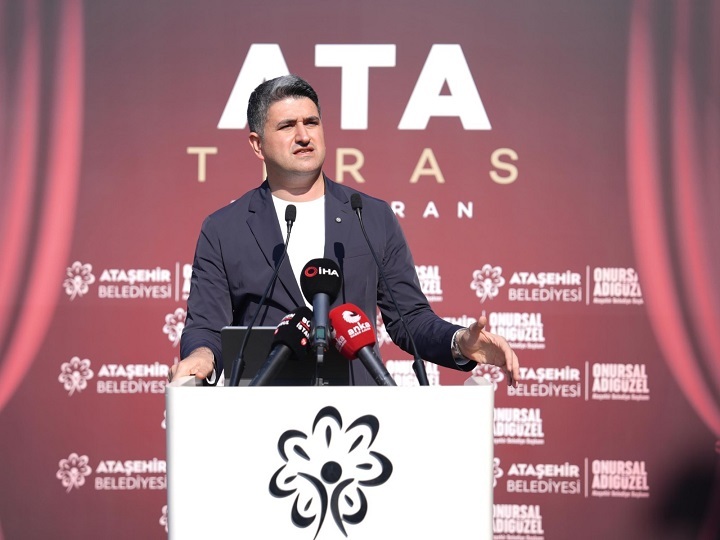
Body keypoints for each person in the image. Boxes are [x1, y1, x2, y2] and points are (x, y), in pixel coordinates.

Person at [169, 74, 520, 386]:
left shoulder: (370, 216)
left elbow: (409, 319)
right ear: (257, 144)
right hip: (263, 412)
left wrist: (459, 342)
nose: (304, 135)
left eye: (312, 122)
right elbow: (206, 325)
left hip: (358, 415)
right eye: (287, 126)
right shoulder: (224, 229)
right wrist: (202, 357)